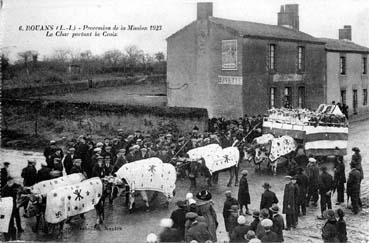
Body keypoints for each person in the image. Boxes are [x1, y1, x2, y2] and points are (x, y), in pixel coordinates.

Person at [2, 176, 24, 241]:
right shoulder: (4, 189)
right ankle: (13, 230)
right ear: (7, 182)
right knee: (11, 218)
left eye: (11, 181)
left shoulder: (17, 186)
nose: (10, 182)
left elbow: (21, 192)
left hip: (15, 205)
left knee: (17, 217)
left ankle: (19, 228)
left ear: (13, 180)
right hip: (9, 206)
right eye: (9, 181)